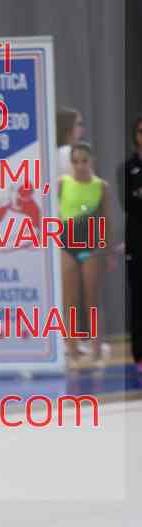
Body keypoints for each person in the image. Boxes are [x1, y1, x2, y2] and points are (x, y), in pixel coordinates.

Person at [58, 141, 114, 368]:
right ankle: (71, 349)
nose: (80, 165)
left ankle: (96, 349)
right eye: (75, 161)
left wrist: (108, 251)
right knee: (69, 301)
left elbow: (106, 220)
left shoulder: (101, 186)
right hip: (67, 246)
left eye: (84, 161)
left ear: (92, 161)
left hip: (91, 246)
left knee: (92, 300)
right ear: (71, 163)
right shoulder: (62, 183)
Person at [117, 114, 142, 372]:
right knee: (137, 300)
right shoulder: (127, 168)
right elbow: (129, 203)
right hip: (137, 243)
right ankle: (139, 355)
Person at [56, 107, 84, 179]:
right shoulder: (68, 152)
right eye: (78, 124)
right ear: (68, 126)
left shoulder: (55, 152)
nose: (82, 129)